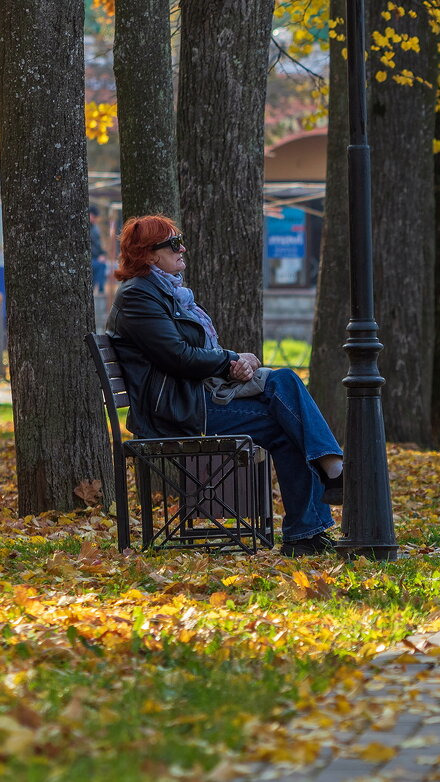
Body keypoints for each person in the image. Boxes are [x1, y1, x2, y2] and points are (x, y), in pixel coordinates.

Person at [106, 215, 345, 557]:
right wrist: (231, 360)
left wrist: (234, 360)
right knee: (285, 424)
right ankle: (319, 504)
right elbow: (178, 356)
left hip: (195, 400)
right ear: (148, 254)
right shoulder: (138, 297)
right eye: (174, 243)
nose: (182, 248)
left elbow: (191, 353)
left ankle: (319, 504)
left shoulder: (167, 293)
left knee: (284, 382)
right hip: (175, 413)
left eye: (180, 240)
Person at [89, 205, 108, 295]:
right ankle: (99, 289)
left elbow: (98, 245)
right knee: (99, 266)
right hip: (92, 257)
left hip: (96, 257)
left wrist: (102, 254)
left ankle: (100, 289)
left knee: (101, 265)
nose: (95, 219)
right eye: (94, 217)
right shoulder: (88, 228)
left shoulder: (95, 228)